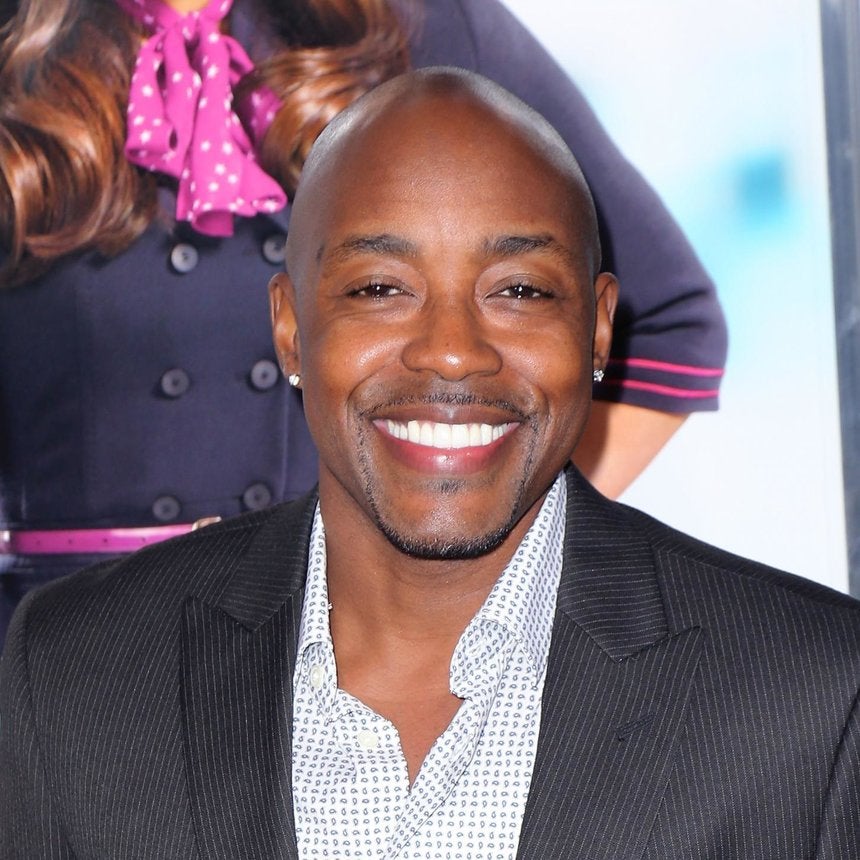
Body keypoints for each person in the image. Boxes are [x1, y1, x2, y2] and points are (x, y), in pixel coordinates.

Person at [1, 68, 857, 859]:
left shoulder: (814, 700)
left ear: (598, 329)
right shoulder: (75, 671)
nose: (452, 351)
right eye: (380, 288)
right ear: (291, 327)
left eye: (519, 290)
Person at [0, 0, 727, 641]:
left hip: (325, 646)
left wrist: (483, 548)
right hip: (57, 647)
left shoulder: (417, 23)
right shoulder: (15, 45)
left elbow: (668, 322)